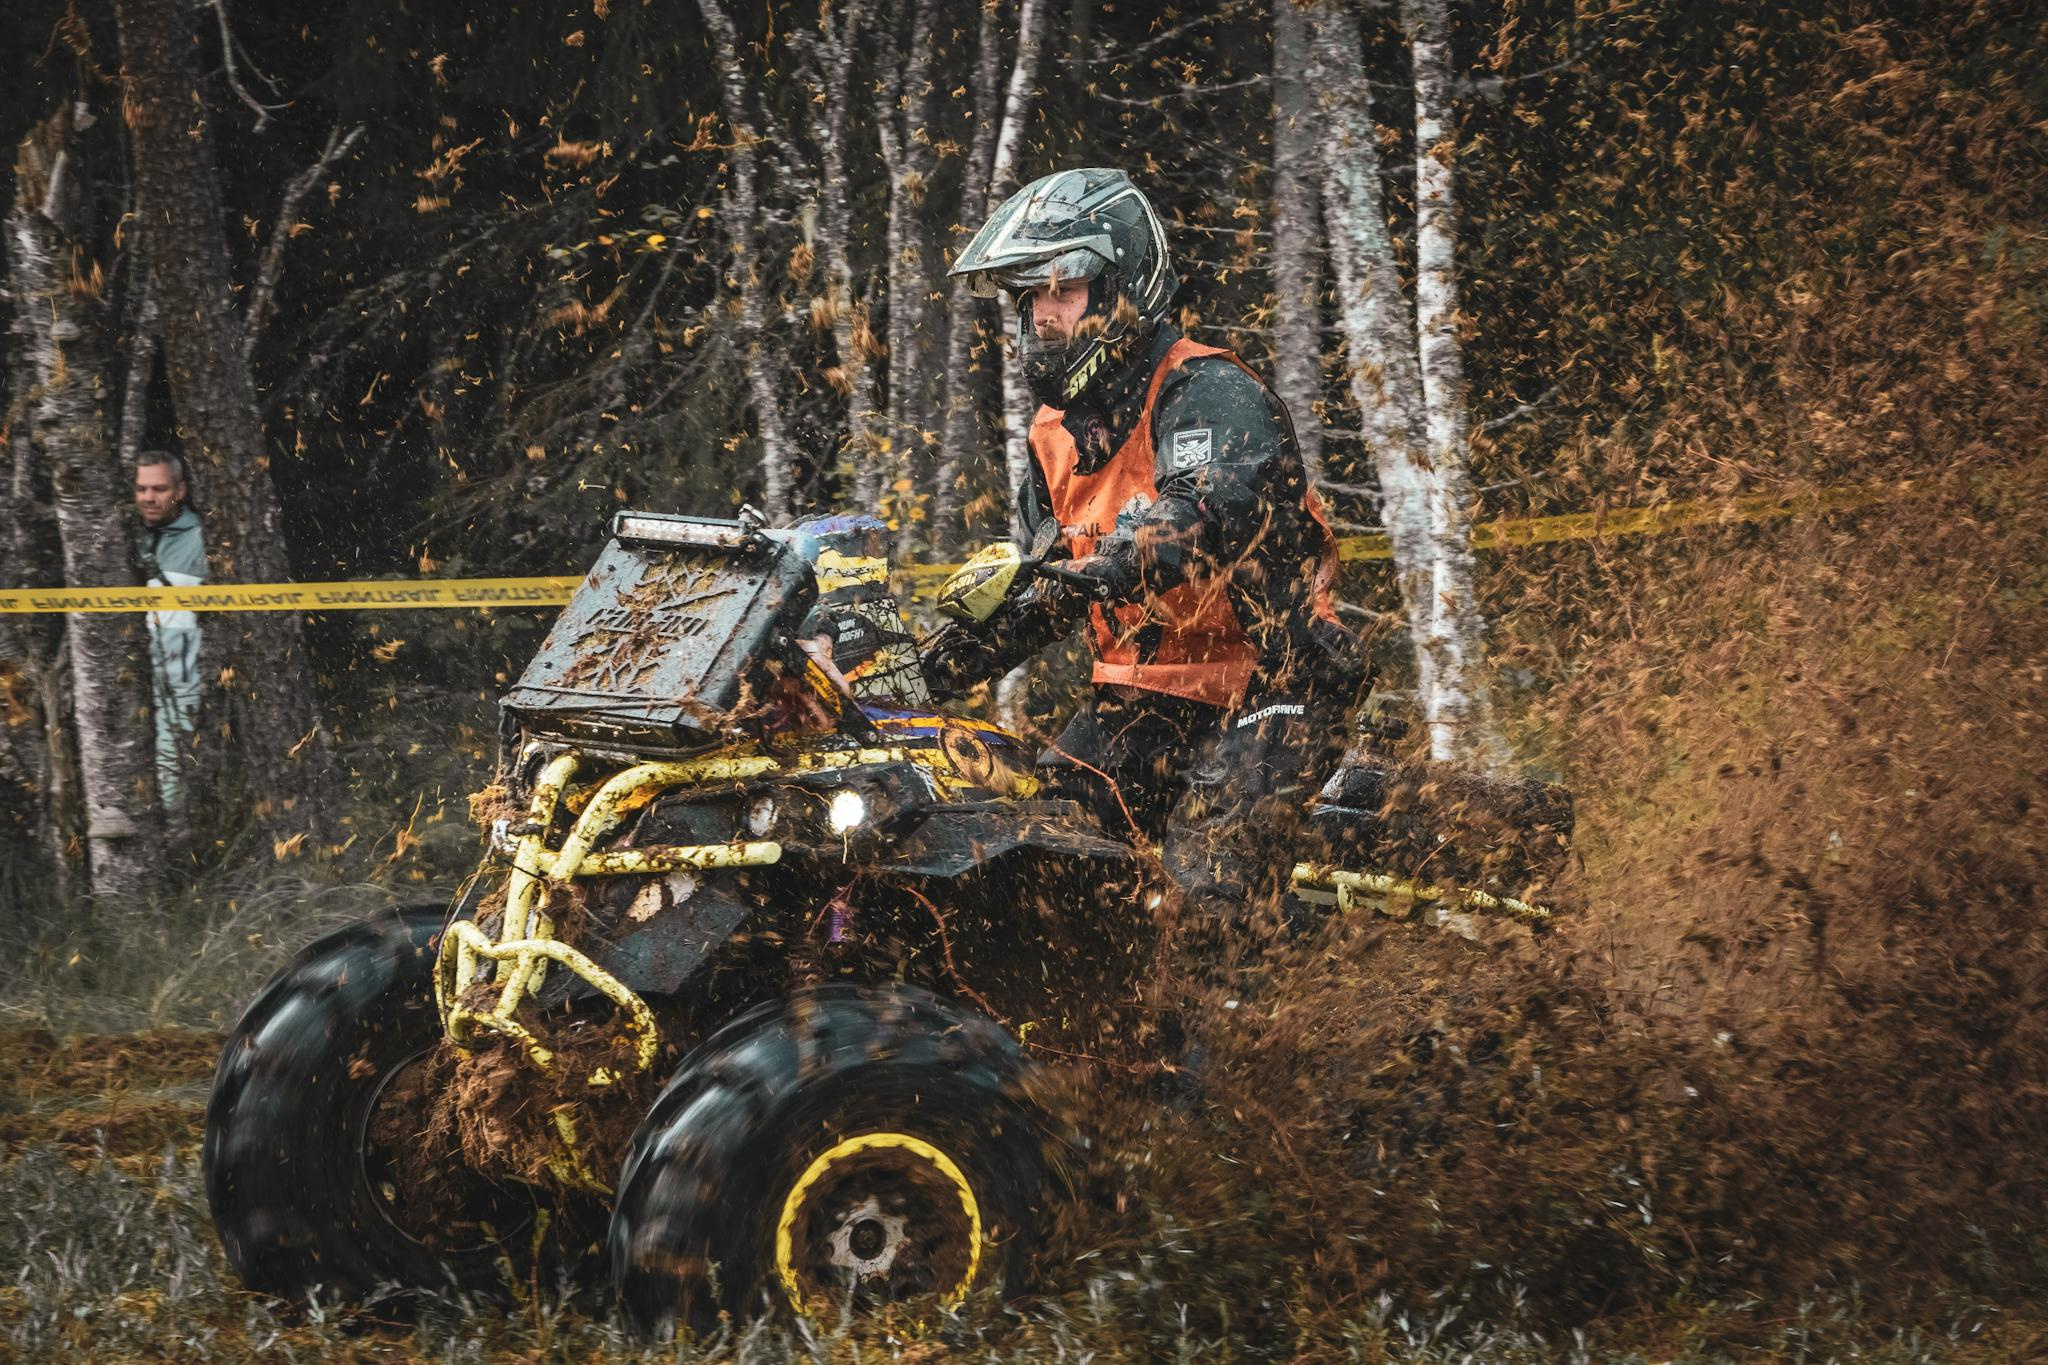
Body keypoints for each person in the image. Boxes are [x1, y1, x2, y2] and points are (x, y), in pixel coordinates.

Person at [923, 167, 1366, 952]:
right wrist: (911, 672)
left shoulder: (1209, 390)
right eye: (1028, 296)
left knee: (1208, 876)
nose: (1041, 314)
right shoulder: (1054, 438)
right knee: (1037, 859)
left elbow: (1204, 512)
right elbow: (1046, 591)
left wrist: (1119, 559)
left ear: (1120, 286)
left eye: (1062, 289)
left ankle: (1258, 1015)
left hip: (1276, 681)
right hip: (1145, 700)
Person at [135, 451, 205, 807]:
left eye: (159, 489)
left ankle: (177, 829)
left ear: (179, 491)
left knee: (171, 775)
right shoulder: (122, 537)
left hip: (180, 680)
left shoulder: (202, 538)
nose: (149, 497)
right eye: (141, 489)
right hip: (125, 678)